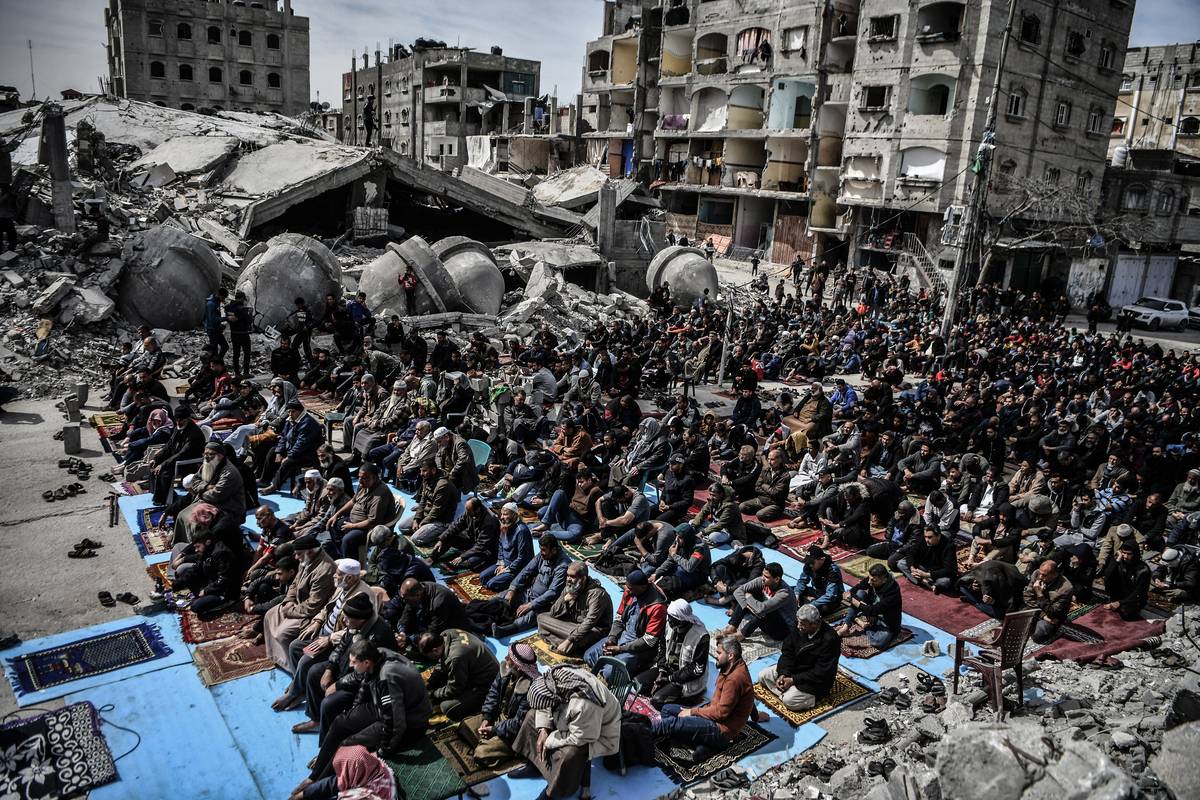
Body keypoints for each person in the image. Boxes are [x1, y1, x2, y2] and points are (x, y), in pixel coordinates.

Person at [295, 641, 429, 794]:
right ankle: (314, 776)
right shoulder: (377, 652)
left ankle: (317, 786)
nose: (351, 666)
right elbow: (364, 680)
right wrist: (352, 706)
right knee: (340, 723)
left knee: (348, 745)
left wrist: (382, 752)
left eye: (353, 662)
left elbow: (395, 724)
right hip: (382, 706)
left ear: (366, 662)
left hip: (408, 720)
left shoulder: (386, 678)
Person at [290, 591, 398, 735]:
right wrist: (329, 669)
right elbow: (341, 647)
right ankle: (316, 719)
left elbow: (365, 673)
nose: (344, 620)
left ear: (360, 619)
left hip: (363, 682)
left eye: (347, 618)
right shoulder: (355, 625)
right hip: (345, 667)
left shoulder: (378, 636)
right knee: (314, 672)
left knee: (328, 704)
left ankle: (330, 739)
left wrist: (338, 684)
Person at [273, 557, 374, 708]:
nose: (335, 576)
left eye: (338, 574)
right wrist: (317, 622)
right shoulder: (342, 586)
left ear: (350, 577)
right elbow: (328, 607)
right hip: (323, 630)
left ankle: (294, 693)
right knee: (295, 646)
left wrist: (330, 639)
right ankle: (300, 686)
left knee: (305, 661)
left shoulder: (363, 597)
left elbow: (357, 629)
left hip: (336, 641)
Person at [511, 666, 621, 800]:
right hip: (575, 720)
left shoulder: (584, 704)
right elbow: (544, 704)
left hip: (597, 734)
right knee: (531, 717)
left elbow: (580, 737)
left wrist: (549, 740)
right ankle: (536, 765)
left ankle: (552, 791)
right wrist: (543, 729)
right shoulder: (551, 679)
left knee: (569, 753)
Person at [652, 637, 755, 761]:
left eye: (719, 653)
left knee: (670, 724)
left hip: (720, 728)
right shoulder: (733, 665)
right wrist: (756, 716)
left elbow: (721, 714)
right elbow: (747, 695)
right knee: (667, 710)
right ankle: (702, 744)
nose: (715, 656)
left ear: (730, 656)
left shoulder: (735, 679)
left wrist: (692, 712)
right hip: (710, 714)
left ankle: (642, 732)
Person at [263, 534, 338, 669]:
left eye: (298, 554)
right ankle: (279, 658)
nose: (296, 557)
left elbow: (313, 605)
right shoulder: (307, 559)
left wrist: (289, 611)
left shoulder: (324, 570)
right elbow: (295, 584)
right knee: (269, 615)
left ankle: (293, 669)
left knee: (283, 633)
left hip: (311, 613)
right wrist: (288, 601)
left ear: (309, 551)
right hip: (296, 605)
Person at [758, 603, 841, 711]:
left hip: (813, 680)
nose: (798, 626)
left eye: (803, 624)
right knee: (762, 676)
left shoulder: (830, 639)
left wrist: (793, 680)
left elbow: (821, 672)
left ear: (815, 623)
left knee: (789, 701)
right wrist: (783, 673)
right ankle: (786, 690)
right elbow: (787, 651)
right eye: (799, 622)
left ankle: (808, 697)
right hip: (794, 670)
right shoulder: (799, 627)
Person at [583, 569, 667, 675]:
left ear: (642, 587)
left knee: (608, 674)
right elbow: (619, 619)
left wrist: (620, 649)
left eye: (630, 588)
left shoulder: (657, 607)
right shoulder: (629, 592)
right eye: (626, 586)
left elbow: (649, 641)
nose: (627, 590)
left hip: (638, 649)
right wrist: (612, 638)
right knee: (589, 656)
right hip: (621, 638)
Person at [474, 641, 541, 763]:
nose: (505, 658)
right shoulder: (506, 670)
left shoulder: (531, 689)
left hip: (514, 732)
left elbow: (518, 723)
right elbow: (493, 693)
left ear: (517, 666)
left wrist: (494, 730)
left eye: (509, 658)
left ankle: (515, 751)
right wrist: (487, 717)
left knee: (481, 753)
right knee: (466, 727)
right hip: (499, 719)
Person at [493, 533, 571, 638]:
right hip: (528, 593)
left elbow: (553, 592)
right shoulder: (542, 556)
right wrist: (512, 589)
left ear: (553, 550)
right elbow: (526, 571)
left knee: (529, 618)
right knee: (501, 597)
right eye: (541, 549)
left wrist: (531, 605)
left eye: (544, 550)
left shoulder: (563, 565)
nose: (541, 553)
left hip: (544, 604)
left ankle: (504, 631)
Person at [637, 598, 709, 707]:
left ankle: (689, 700)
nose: (668, 620)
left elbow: (697, 669)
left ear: (682, 619)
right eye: (669, 617)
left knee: (657, 701)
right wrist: (661, 671)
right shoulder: (669, 625)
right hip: (668, 670)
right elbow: (662, 648)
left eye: (672, 618)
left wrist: (669, 679)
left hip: (685, 679)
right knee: (638, 684)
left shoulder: (701, 636)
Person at [172, 441, 247, 544]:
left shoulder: (229, 473)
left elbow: (216, 495)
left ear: (220, 456)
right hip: (208, 500)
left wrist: (200, 493)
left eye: (211, 454)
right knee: (182, 514)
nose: (206, 457)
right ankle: (185, 543)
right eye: (205, 454)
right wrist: (206, 486)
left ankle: (198, 546)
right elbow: (195, 480)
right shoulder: (207, 464)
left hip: (228, 506)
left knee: (197, 521)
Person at [420, 628, 501, 721]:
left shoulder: (456, 657)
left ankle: (481, 706)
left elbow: (454, 689)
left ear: (435, 650)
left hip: (488, 684)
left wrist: (433, 694)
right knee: (439, 681)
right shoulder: (447, 633)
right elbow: (442, 663)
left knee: (447, 707)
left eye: (428, 655)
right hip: (476, 668)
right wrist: (431, 682)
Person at [537, 561, 614, 656]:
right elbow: (553, 613)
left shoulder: (597, 594)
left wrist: (569, 640)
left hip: (593, 631)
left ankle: (566, 644)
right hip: (573, 625)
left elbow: (589, 622)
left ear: (583, 578)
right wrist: (564, 600)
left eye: (572, 577)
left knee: (582, 637)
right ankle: (567, 644)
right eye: (567, 576)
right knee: (541, 618)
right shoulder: (570, 587)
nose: (568, 579)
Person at [170, 529, 251, 618]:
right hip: (212, 582)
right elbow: (195, 570)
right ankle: (206, 597)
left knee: (195, 607)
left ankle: (226, 602)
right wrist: (175, 585)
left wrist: (206, 590)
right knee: (186, 574)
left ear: (208, 542)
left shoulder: (221, 553)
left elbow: (224, 579)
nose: (196, 550)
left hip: (225, 591)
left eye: (198, 547)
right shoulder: (206, 552)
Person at [329, 463, 398, 559]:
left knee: (347, 540)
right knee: (333, 525)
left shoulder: (379, 496)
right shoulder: (363, 485)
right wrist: (336, 515)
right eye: (359, 477)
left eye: (364, 478)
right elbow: (353, 501)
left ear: (374, 478)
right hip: (354, 521)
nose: (360, 481)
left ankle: (352, 567)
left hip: (369, 528)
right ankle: (343, 554)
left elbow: (372, 522)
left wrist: (352, 526)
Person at [386, 578, 470, 652]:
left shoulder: (438, 603)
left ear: (418, 595)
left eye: (406, 599)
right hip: (433, 617)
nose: (404, 601)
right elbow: (408, 611)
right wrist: (402, 631)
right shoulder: (419, 589)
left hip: (451, 625)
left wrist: (410, 639)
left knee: (427, 646)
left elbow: (434, 631)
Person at [259, 400, 324, 495]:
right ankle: (264, 479)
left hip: (307, 453)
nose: (290, 414)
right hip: (293, 449)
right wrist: (279, 452)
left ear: (299, 411)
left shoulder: (308, 423)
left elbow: (301, 444)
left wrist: (288, 456)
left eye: (293, 411)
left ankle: (274, 486)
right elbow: (283, 436)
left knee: (288, 462)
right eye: (289, 411)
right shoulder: (290, 420)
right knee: (272, 451)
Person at [721, 563, 797, 642]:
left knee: (764, 610)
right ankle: (732, 626)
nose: (763, 578)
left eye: (767, 577)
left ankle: (741, 635)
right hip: (765, 621)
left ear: (776, 579)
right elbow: (738, 591)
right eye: (763, 575)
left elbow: (762, 609)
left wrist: (749, 598)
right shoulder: (762, 581)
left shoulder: (784, 593)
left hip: (782, 630)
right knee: (747, 593)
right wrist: (746, 606)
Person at [835, 563, 902, 649]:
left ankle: (863, 624)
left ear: (884, 580)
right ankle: (846, 626)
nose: (869, 582)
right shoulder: (872, 579)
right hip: (872, 614)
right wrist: (850, 594)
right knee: (860, 593)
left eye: (873, 580)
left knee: (877, 642)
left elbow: (873, 610)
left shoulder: (893, 592)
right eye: (869, 579)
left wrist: (852, 600)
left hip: (887, 623)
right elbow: (857, 588)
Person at [150, 406, 207, 505]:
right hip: (176, 458)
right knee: (154, 465)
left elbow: (183, 453)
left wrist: (163, 464)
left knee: (164, 471)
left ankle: (164, 498)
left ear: (188, 419)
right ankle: (158, 494)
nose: (179, 422)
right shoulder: (178, 428)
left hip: (188, 462)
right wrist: (156, 458)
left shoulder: (194, 434)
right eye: (177, 419)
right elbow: (169, 445)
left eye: (182, 420)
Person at [480, 503, 534, 592]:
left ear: (514, 515)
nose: (501, 517)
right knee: (483, 577)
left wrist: (506, 569)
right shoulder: (505, 526)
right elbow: (500, 546)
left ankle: (519, 584)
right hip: (505, 564)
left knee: (491, 584)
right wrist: (501, 564)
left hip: (517, 568)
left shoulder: (522, 531)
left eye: (505, 514)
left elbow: (522, 558)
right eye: (502, 514)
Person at [406, 459, 459, 546]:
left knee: (416, 539)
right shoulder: (427, 478)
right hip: (428, 514)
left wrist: (422, 523)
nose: (421, 474)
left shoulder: (443, 486)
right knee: (403, 527)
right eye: (421, 471)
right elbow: (423, 501)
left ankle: (441, 534)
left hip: (441, 520)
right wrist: (416, 519)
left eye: (424, 471)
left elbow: (436, 510)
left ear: (433, 470)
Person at [1024, 559, 1074, 645]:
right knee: (1011, 618)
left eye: (1044, 575)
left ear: (1054, 575)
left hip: (1052, 617)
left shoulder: (1066, 588)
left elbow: (1053, 612)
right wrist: (1042, 615)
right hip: (1037, 610)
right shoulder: (1037, 573)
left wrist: (1040, 594)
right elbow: (1027, 597)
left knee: (1038, 635)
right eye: (1040, 573)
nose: (1040, 577)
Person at [957, 560, 1027, 619]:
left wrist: (992, 601)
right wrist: (973, 586)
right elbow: (968, 579)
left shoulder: (1009, 581)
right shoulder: (985, 569)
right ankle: (975, 601)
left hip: (1006, 602)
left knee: (1000, 614)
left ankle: (975, 603)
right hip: (994, 592)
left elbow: (1009, 605)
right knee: (963, 588)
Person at [895, 526, 957, 594]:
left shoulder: (949, 546)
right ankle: (926, 582)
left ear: (938, 536)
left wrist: (927, 575)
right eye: (925, 537)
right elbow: (911, 553)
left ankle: (921, 580)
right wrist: (912, 567)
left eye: (930, 537)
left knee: (945, 582)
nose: (927, 540)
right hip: (923, 567)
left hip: (937, 572)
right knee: (901, 563)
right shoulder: (923, 539)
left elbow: (949, 570)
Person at [739, 448, 793, 522]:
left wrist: (764, 485)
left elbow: (776, 493)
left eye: (772, 459)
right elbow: (757, 487)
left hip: (775, 503)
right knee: (742, 507)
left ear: (780, 460)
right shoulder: (765, 470)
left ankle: (776, 512)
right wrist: (768, 491)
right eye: (768, 459)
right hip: (761, 500)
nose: (769, 462)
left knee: (760, 515)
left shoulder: (784, 476)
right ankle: (763, 509)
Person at [1101, 540, 1151, 621]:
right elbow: (1107, 575)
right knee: (1109, 579)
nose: (1125, 556)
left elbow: (1139, 592)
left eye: (1129, 554)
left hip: (1134, 598)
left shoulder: (1143, 570)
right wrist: (1116, 560)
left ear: (1135, 554)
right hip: (1121, 593)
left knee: (1126, 613)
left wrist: (1120, 603)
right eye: (1124, 553)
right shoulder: (1120, 561)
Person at [795, 546, 844, 616]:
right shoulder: (809, 565)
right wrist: (797, 594)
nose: (810, 565)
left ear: (822, 559)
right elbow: (802, 580)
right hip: (817, 592)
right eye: (809, 562)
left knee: (823, 609)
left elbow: (831, 595)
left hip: (832, 598)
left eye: (812, 562)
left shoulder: (832, 570)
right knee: (791, 591)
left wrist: (812, 604)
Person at [225, 289, 254, 377]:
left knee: (236, 354)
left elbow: (228, 319)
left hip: (233, 333)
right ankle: (245, 372)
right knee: (247, 353)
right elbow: (249, 321)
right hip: (243, 334)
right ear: (241, 299)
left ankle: (237, 372)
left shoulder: (228, 307)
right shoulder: (242, 309)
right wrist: (250, 313)